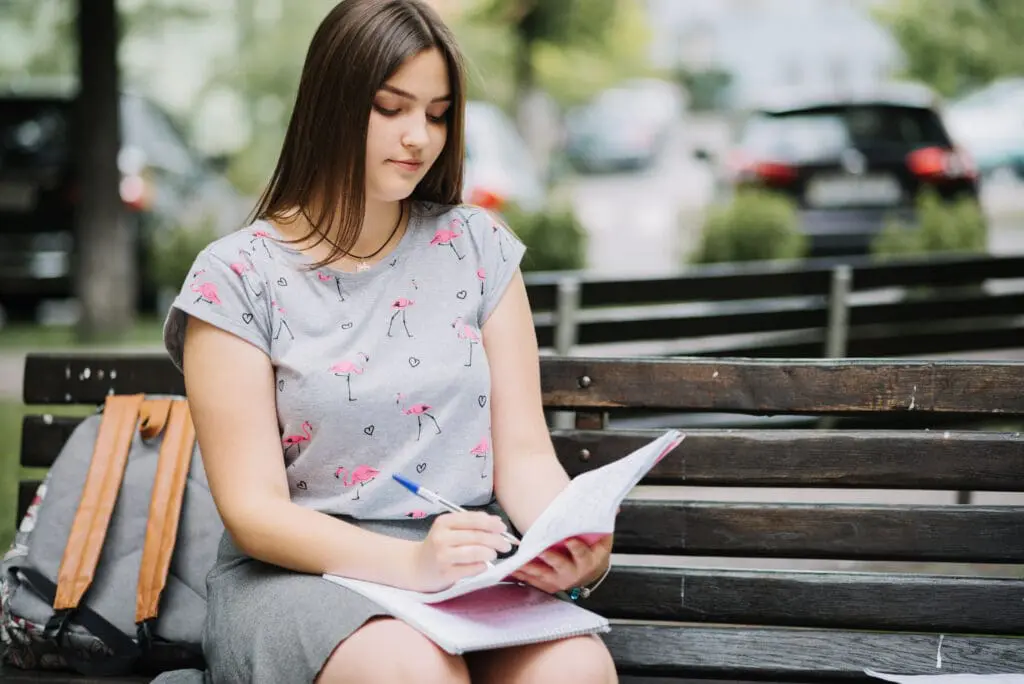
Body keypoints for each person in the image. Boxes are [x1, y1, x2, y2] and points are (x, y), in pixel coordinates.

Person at [157, 1, 617, 682]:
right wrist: (410, 566)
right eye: (391, 108)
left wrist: (573, 542)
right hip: (302, 575)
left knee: (575, 670)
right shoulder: (237, 278)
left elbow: (522, 455)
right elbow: (255, 513)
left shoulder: (479, 247)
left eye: (436, 114)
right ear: (331, 104)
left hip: (466, 565)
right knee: (412, 670)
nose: (418, 138)